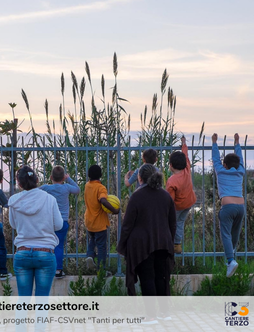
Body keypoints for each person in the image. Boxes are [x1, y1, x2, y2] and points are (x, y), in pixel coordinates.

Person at [117, 164, 176, 324]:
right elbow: (172, 223)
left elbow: (128, 224)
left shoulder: (137, 196)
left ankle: (151, 316)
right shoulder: (165, 196)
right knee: (161, 277)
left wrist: (121, 245)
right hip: (163, 242)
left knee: (147, 277)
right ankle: (165, 313)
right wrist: (170, 240)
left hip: (142, 245)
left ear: (140, 178)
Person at [9, 166, 63, 296]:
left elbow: (13, 224)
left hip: (22, 252)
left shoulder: (13, 201)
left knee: (23, 300)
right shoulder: (50, 199)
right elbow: (59, 225)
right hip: (45, 252)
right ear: (37, 180)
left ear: (19, 183)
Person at [212, 133, 245, 277]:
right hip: (240, 208)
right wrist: (237, 143)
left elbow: (215, 159)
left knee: (225, 234)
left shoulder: (220, 171)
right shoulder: (241, 171)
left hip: (228, 207)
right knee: (234, 235)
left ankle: (230, 261)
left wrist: (214, 143)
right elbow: (241, 159)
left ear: (224, 165)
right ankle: (231, 259)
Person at [39, 165, 80, 278]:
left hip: (49, 222)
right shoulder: (66, 187)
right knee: (59, 245)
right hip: (62, 222)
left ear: (51, 177)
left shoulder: (47, 188)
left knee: (47, 245)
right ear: (63, 178)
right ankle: (58, 270)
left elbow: (34, 192)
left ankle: (46, 269)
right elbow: (77, 189)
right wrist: (68, 178)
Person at [84, 165, 119, 273]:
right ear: (101, 175)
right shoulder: (101, 188)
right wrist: (114, 210)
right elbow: (103, 200)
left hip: (89, 221)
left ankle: (90, 255)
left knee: (92, 240)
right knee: (101, 247)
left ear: (89, 175)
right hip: (99, 223)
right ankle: (101, 270)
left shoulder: (87, 186)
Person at [166, 136, 197, 254]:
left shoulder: (172, 181)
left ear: (171, 165)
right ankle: (177, 244)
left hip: (178, 206)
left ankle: (170, 243)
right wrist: (184, 144)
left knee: (172, 222)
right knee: (180, 222)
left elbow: (170, 199)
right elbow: (186, 155)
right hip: (189, 203)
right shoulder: (187, 169)